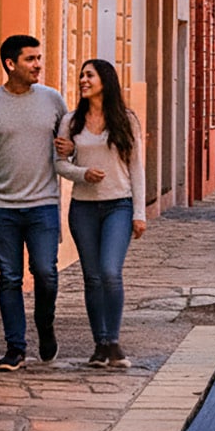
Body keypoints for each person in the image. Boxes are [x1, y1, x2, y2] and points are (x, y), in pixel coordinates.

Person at [0, 34, 69, 371]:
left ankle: (46, 325)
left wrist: (72, 151)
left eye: (39, 58)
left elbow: (70, 143)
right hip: (1, 206)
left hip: (43, 205)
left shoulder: (53, 101)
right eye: (31, 59)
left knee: (46, 273)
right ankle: (15, 347)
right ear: (10, 64)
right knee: (9, 277)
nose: (38, 64)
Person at [54, 59, 146, 369]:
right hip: (83, 208)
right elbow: (59, 164)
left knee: (110, 272)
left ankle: (114, 341)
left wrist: (139, 212)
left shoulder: (127, 120)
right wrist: (82, 173)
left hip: (118, 205)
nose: (83, 80)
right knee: (91, 278)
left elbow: (136, 167)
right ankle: (100, 344)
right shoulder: (70, 121)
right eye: (81, 75)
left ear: (105, 80)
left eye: (89, 75)